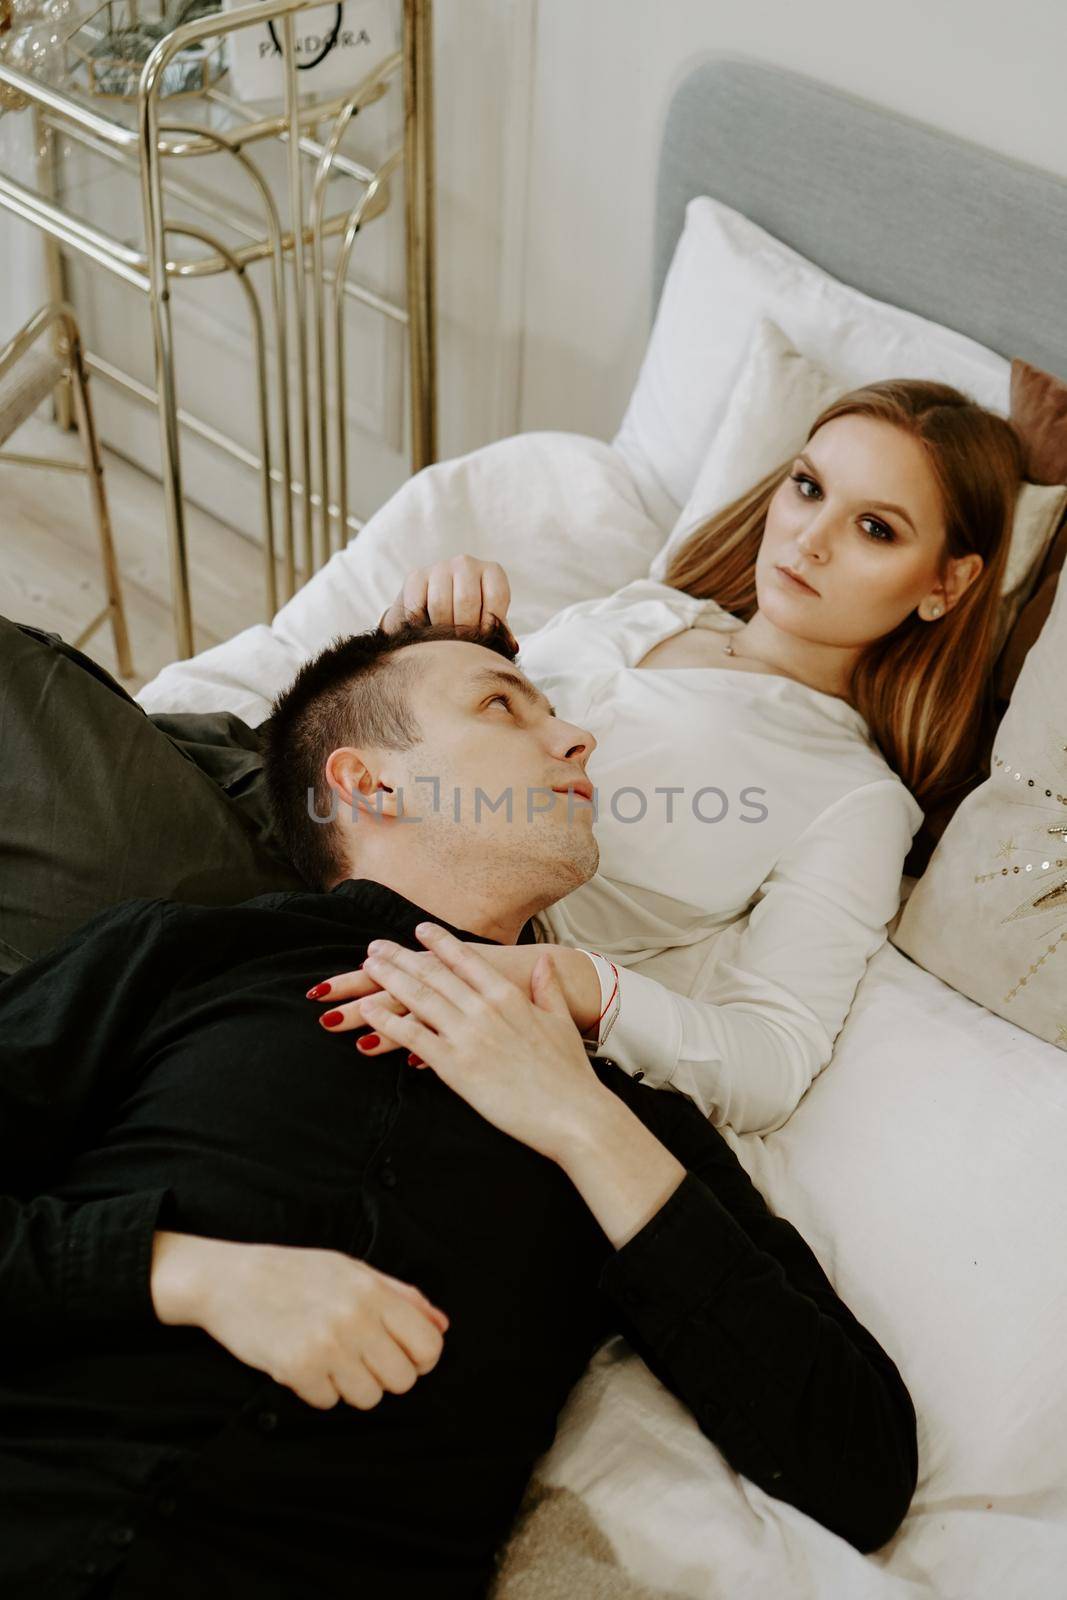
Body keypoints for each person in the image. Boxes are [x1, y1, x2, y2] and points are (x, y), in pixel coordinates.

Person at [0, 618, 917, 1600]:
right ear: (367, 782)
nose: (574, 738)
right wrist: (178, 1273)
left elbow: (857, 1465)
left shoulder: (629, 1128)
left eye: (556, 710)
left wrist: (579, 1122)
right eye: (499, 704)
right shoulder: (190, 959)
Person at [311, 379, 1025, 1133]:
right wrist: (416, 643)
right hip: (316, 816)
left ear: (946, 583)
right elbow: (420, 741)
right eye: (807, 488)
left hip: (419, 956)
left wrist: (578, 982)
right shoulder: (646, 607)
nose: (808, 539)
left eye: (874, 528)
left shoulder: (854, 796)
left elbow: (772, 1059)